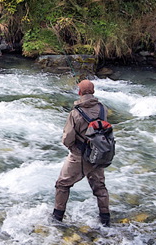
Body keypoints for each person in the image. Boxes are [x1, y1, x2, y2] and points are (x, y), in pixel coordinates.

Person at [52, 79, 111, 226]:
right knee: (100, 188)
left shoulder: (75, 113)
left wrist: (72, 148)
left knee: (62, 184)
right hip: (99, 154)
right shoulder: (103, 108)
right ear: (93, 91)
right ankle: (105, 220)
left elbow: (67, 138)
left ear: (79, 92)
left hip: (79, 155)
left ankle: (56, 219)